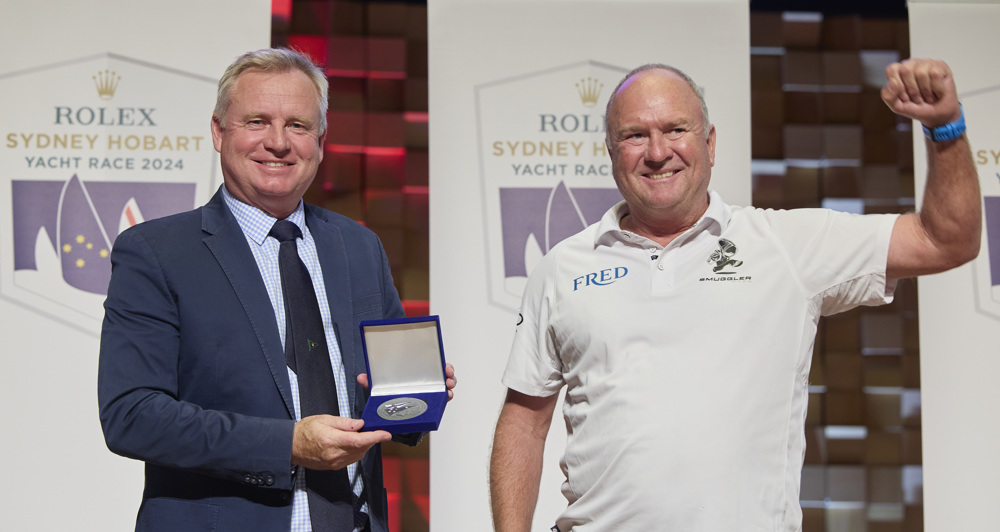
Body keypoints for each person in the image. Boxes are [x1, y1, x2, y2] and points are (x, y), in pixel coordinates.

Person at [489, 58, 980, 531]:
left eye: (675, 130)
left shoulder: (785, 245)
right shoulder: (563, 267)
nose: (657, 152)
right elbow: (525, 421)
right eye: (635, 135)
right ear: (611, 152)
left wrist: (945, 129)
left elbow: (946, 240)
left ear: (710, 143)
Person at [98, 48, 455, 532]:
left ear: (320, 142)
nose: (278, 142)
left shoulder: (359, 246)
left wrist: (413, 395)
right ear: (219, 132)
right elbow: (133, 416)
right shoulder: (156, 252)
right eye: (257, 122)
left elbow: (386, 402)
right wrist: (288, 444)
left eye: (298, 126)